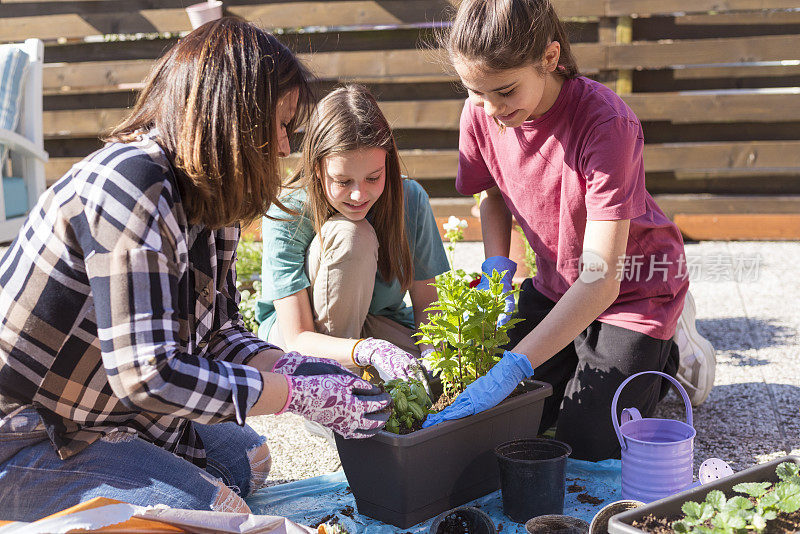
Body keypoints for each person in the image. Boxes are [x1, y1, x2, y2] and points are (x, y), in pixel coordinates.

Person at [0, 19, 390, 522]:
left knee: (248, 461)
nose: (285, 147)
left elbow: (221, 332)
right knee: (213, 513)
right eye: (279, 124)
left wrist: (304, 370)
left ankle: (130, 467)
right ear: (235, 119)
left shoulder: (212, 197)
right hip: (31, 434)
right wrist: (294, 395)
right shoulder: (131, 184)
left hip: (109, 412)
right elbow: (149, 376)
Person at [423, 0, 715, 460]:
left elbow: (601, 280)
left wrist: (515, 365)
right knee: (504, 423)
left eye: (504, 91)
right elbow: (492, 192)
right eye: (475, 92)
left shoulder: (605, 123)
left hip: (631, 290)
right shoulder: (480, 111)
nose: (492, 109)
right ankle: (593, 354)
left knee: (586, 444)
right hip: (558, 284)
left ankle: (669, 352)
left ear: (550, 58)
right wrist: (497, 271)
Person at [256, 84, 449, 383]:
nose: (359, 195)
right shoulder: (287, 213)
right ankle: (335, 390)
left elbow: (428, 308)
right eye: (343, 180)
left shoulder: (411, 200)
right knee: (352, 235)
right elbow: (297, 338)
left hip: (374, 327)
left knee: (450, 370)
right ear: (317, 168)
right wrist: (364, 351)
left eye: (373, 177)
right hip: (304, 340)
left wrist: (434, 368)